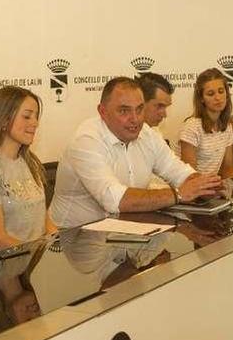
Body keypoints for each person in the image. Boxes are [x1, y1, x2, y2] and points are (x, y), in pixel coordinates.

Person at [50, 77, 222, 228]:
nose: (135, 119)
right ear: (102, 112)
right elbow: (114, 200)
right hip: (73, 241)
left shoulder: (147, 134)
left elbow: (178, 171)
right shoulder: (86, 140)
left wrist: (203, 185)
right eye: (124, 111)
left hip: (123, 235)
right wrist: (178, 194)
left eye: (139, 109)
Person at [0, 86, 56, 251]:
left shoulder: (31, 163)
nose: (35, 123)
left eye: (36, 117)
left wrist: (57, 245)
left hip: (38, 264)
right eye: (27, 116)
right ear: (4, 120)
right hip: (7, 269)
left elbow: (45, 222)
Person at [176, 68, 233, 177]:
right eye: (211, 94)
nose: (218, 98)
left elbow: (228, 168)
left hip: (212, 189)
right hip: (191, 189)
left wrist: (228, 190)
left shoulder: (227, 126)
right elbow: (189, 175)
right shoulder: (191, 127)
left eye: (221, 91)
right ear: (201, 99)